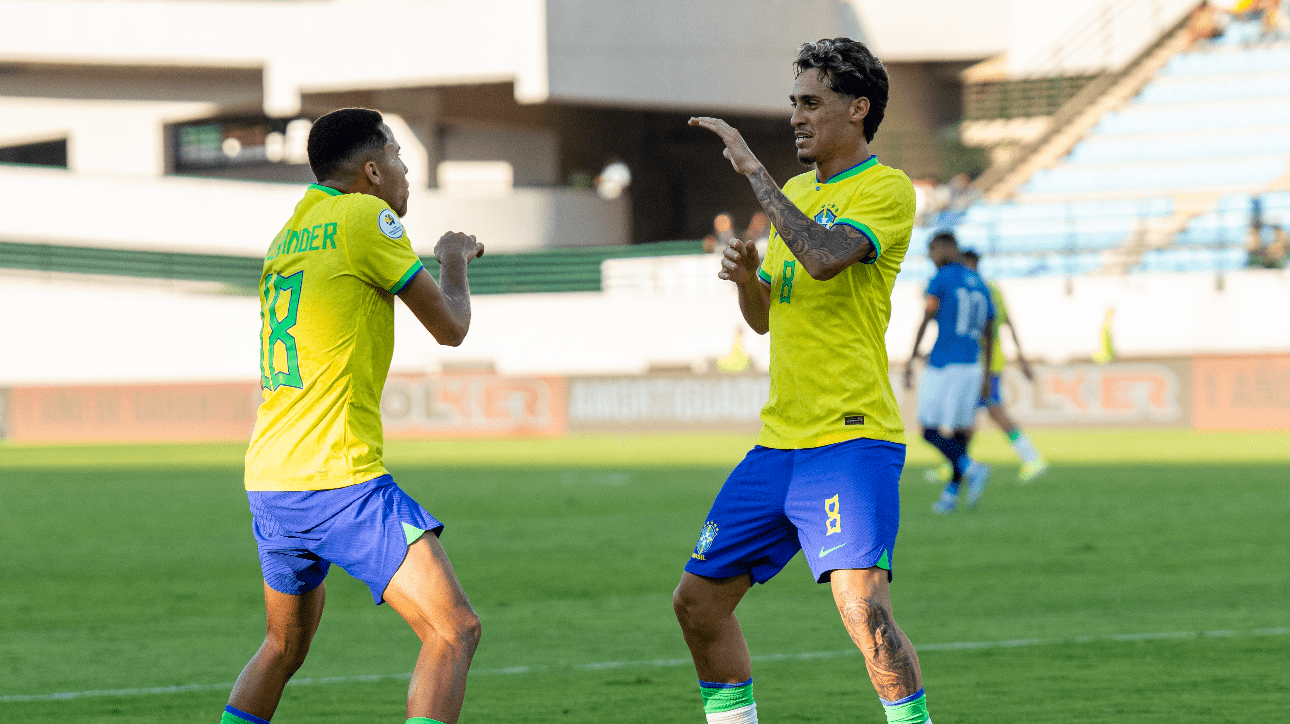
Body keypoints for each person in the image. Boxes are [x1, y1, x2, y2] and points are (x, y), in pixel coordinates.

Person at [680, 38, 933, 724]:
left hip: (850, 440)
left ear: (858, 109)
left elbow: (823, 258)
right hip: (778, 444)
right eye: (793, 103)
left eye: (811, 103)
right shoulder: (795, 192)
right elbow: (765, 319)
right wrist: (743, 282)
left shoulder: (885, 187)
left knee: (864, 612)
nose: (796, 115)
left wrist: (751, 172)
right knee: (697, 604)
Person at [222, 108, 485, 724]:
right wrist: (453, 258)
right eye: (397, 157)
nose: (403, 172)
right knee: (454, 630)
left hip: (271, 479)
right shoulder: (368, 215)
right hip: (338, 478)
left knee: (281, 647)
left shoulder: (288, 234)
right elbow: (451, 327)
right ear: (371, 169)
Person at [903, 232, 994, 515]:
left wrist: (910, 357)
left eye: (933, 251)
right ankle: (951, 494)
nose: (932, 257)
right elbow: (990, 331)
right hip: (972, 365)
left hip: (946, 364)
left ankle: (971, 468)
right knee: (957, 433)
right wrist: (988, 374)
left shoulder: (941, 278)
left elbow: (928, 316)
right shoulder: (980, 282)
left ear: (946, 248)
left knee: (929, 430)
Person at [937, 250, 1048, 483]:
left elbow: (997, 325)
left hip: (982, 364)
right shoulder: (991, 289)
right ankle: (958, 463)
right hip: (981, 363)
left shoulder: (978, 290)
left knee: (993, 412)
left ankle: (1031, 458)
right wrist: (1021, 358)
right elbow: (1009, 323)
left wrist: (1022, 358)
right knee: (967, 417)